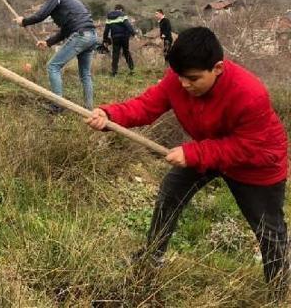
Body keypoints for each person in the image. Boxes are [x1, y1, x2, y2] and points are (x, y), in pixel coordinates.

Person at [86, 27, 289, 300]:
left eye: (193, 79)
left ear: (217, 68)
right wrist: (109, 114)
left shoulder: (249, 93)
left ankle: (279, 291)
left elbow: (247, 145)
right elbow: (147, 105)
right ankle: (151, 258)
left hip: (256, 162)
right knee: (169, 196)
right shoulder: (178, 79)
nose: (184, 85)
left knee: (269, 229)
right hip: (206, 149)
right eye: (180, 77)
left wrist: (195, 154)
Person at [15, 0, 98, 112]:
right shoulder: (68, 3)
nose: (46, 0)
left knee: (53, 66)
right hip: (92, 36)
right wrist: (48, 42)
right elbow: (65, 31)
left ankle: (58, 105)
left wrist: (23, 21)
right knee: (85, 74)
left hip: (81, 35)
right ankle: (88, 108)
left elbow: (40, 15)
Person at [103, 4, 135, 76]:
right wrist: (133, 33)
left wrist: (105, 39)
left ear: (115, 9)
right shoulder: (122, 14)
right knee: (126, 52)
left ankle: (114, 72)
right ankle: (132, 69)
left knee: (115, 54)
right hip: (124, 37)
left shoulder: (109, 17)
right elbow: (128, 25)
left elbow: (106, 30)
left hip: (115, 37)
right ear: (121, 9)